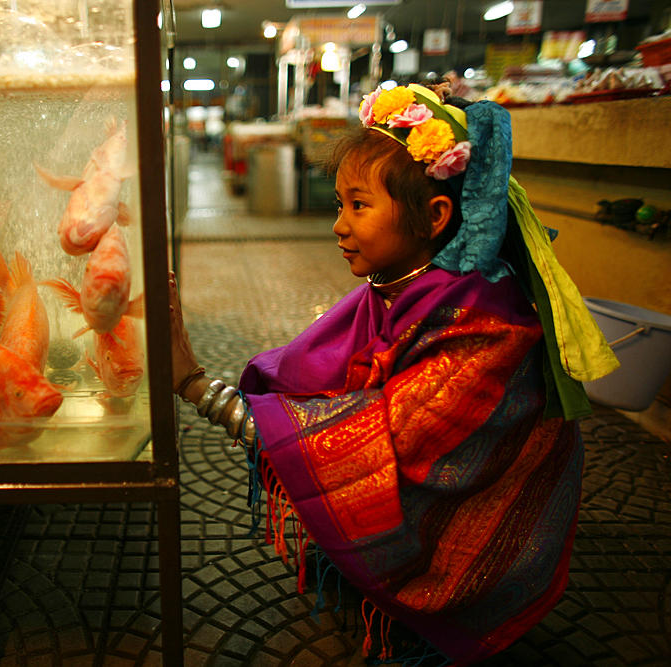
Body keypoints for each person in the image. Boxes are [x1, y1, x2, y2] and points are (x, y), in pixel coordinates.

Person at [169, 81, 619, 666]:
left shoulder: (482, 332)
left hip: (479, 540)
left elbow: (360, 444)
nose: (338, 225)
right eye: (338, 204)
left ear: (434, 216)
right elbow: (318, 384)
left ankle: (422, 605)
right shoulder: (399, 289)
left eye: (358, 205)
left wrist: (194, 385)